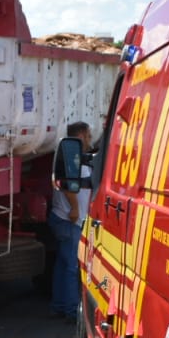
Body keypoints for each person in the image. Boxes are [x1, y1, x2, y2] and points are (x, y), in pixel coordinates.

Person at [49, 121, 93, 323]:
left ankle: (59, 305)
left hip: (62, 217)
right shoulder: (73, 155)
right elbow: (68, 184)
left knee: (62, 264)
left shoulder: (67, 152)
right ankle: (70, 310)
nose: (90, 139)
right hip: (69, 220)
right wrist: (75, 208)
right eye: (89, 135)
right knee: (71, 267)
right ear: (82, 134)